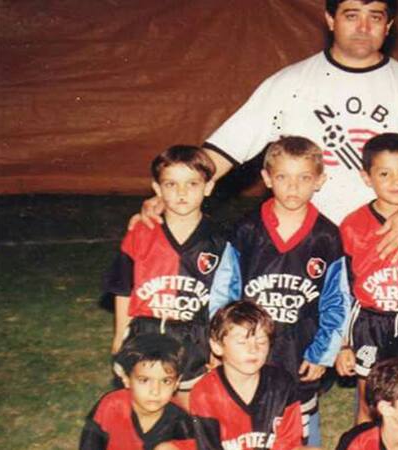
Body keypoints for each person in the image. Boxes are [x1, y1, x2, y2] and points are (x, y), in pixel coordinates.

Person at [134, 0, 398, 264]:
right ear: (330, 19)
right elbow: (226, 149)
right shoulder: (290, 82)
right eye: (352, 15)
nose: (363, 27)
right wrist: (169, 195)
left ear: (389, 25)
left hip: (385, 235)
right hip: (306, 235)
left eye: (375, 17)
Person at [228, 136, 344, 446]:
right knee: (249, 420)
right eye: (283, 177)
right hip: (250, 345)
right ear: (267, 178)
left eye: (304, 178)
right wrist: (224, 342)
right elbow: (226, 292)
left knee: (301, 422)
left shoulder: (327, 236)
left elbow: (336, 300)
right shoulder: (247, 229)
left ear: (320, 180)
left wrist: (322, 353)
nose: (293, 187)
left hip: (300, 349)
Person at [104, 145, 238, 409]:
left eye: (192, 184)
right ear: (157, 188)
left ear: (208, 187)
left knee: (191, 406)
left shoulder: (220, 240)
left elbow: (226, 299)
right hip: (147, 332)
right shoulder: (140, 233)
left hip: (195, 337)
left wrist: (218, 344)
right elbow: (123, 288)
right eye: (171, 184)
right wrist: (120, 334)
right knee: (148, 406)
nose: (181, 192)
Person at [332, 133, 398, 424]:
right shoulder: (353, 226)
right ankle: (362, 442)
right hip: (372, 324)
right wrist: (343, 344)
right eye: (385, 174)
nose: (397, 181)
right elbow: (342, 290)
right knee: (370, 403)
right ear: (366, 177)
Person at [190, 301, 304, 450]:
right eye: (242, 342)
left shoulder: (282, 384)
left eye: (261, 341)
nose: (253, 349)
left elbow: (291, 443)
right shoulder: (205, 393)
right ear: (217, 346)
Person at [79, 334, 196, 450]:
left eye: (166, 381)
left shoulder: (181, 421)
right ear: (126, 379)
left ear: (177, 383)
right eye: (144, 380)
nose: (155, 391)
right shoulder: (111, 406)